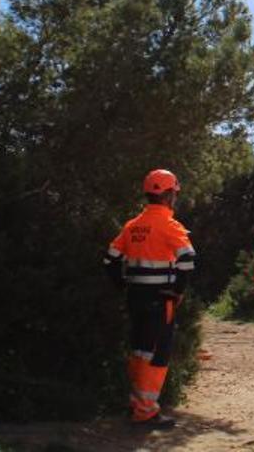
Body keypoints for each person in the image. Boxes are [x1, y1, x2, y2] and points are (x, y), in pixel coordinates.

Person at [103, 168, 196, 429]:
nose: (175, 198)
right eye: (174, 193)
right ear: (168, 195)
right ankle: (145, 411)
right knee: (157, 353)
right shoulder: (169, 225)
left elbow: (110, 259)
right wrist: (177, 290)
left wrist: (122, 284)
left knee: (139, 350)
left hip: (135, 297)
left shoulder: (132, 225)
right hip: (160, 299)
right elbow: (188, 259)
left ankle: (136, 405)